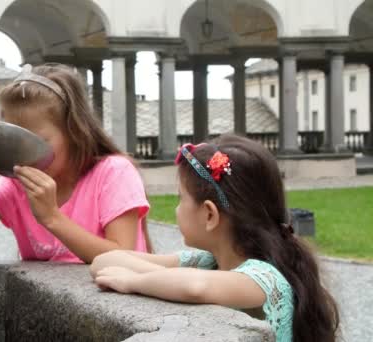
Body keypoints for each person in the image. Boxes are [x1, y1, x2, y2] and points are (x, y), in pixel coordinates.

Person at [90, 134, 339, 342]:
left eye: (181, 199)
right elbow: (106, 260)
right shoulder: (209, 262)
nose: (176, 209)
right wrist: (146, 274)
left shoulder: (265, 278)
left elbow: (195, 287)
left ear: (209, 214)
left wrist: (134, 281)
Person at [0, 63, 151, 263]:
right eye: (14, 140)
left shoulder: (113, 173)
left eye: (38, 142)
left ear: (74, 131)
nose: (26, 154)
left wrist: (52, 218)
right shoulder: (17, 185)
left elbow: (124, 257)